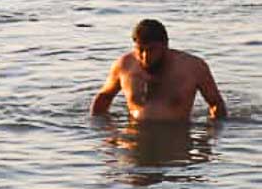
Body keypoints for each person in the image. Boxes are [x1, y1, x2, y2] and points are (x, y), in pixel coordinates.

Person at [91, 19, 226, 122]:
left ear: (165, 45)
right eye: (140, 50)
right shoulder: (124, 65)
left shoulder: (193, 67)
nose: (145, 56)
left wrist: (207, 139)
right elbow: (104, 98)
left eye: (151, 50)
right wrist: (106, 136)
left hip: (176, 140)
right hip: (134, 138)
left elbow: (216, 103)